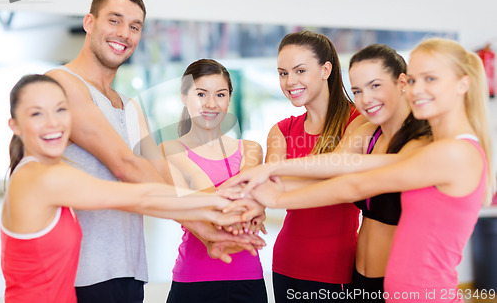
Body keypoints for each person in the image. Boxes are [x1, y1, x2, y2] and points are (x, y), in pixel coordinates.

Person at [226, 38, 495, 303]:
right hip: (374, 283)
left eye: (430, 79)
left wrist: (276, 198)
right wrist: (274, 169)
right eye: (414, 80)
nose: (417, 89)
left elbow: (355, 184)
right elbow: (343, 163)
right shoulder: (377, 135)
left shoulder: (448, 151)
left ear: (463, 83)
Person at [45, 0, 255, 302]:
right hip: (80, 272)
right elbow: (125, 165)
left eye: (134, 26)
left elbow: (159, 177)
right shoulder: (61, 83)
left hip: (130, 271)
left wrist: (205, 232)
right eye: (114, 21)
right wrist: (212, 217)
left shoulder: (131, 106)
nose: (124, 33)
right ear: (89, 22)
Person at [0, 74, 252, 303]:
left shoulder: (48, 172)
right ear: (15, 126)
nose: (53, 123)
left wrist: (208, 218)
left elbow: (136, 200)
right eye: (36, 114)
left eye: (60, 110)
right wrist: (216, 206)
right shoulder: (39, 178)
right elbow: (140, 196)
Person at [259, 30, 365, 302]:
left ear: (325, 69)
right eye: (283, 73)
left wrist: (275, 181)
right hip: (286, 263)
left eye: (300, 70)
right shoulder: (281, 130)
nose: (290, 81)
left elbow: (338, 172)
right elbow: (274, 186)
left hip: (335, 269)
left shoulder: (358, 120)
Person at [161, 59, 268, 303]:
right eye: (201, 94)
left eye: (220, 94)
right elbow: (197, 209)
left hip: (247, 279)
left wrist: (241, 206)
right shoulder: (169, 149)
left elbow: (239, 205)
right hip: (193, 278)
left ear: (229, 98)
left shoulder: (250, 148)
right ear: (184, 96)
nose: (211, 104)